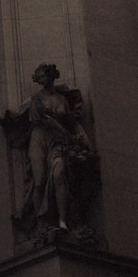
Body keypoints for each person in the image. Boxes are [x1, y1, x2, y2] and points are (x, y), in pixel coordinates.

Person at [25, 63, 92, 231]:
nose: (42, 80)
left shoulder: (62, 99)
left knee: (59, 174)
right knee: (39, 181)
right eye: (39, 77)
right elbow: (37, 120)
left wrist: (80, 138)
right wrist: (58, 125)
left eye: (44, 76)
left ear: (51, 76)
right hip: (39, 139)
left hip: (59, 141)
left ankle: (63, 221)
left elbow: (71, 122)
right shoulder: (37, 99)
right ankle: (40, 222)